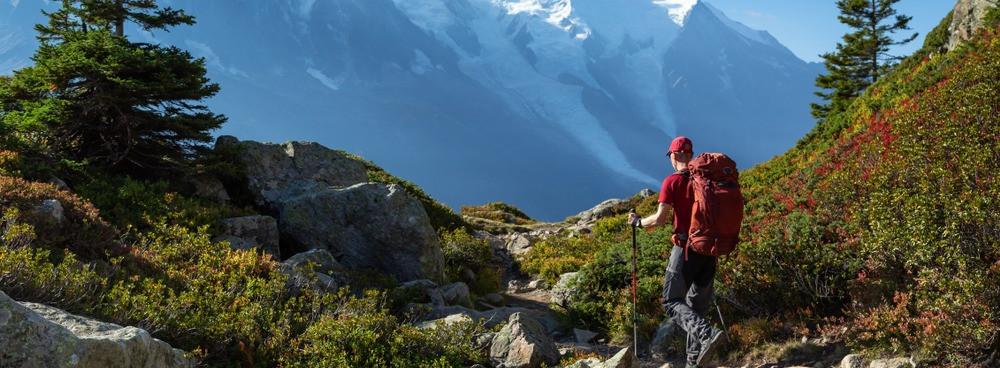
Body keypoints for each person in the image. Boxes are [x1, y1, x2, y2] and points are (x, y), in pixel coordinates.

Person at [628, 136, 725, 368]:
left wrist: (637, 222)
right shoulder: (707, 179)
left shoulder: (673, 181)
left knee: (671, 301)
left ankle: (707, 334)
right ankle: (694, 362)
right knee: (696, 308)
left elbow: (659, 219)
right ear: (690, 154)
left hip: (685, 250)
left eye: (670, 155)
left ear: (674, 155)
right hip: (709, 250)